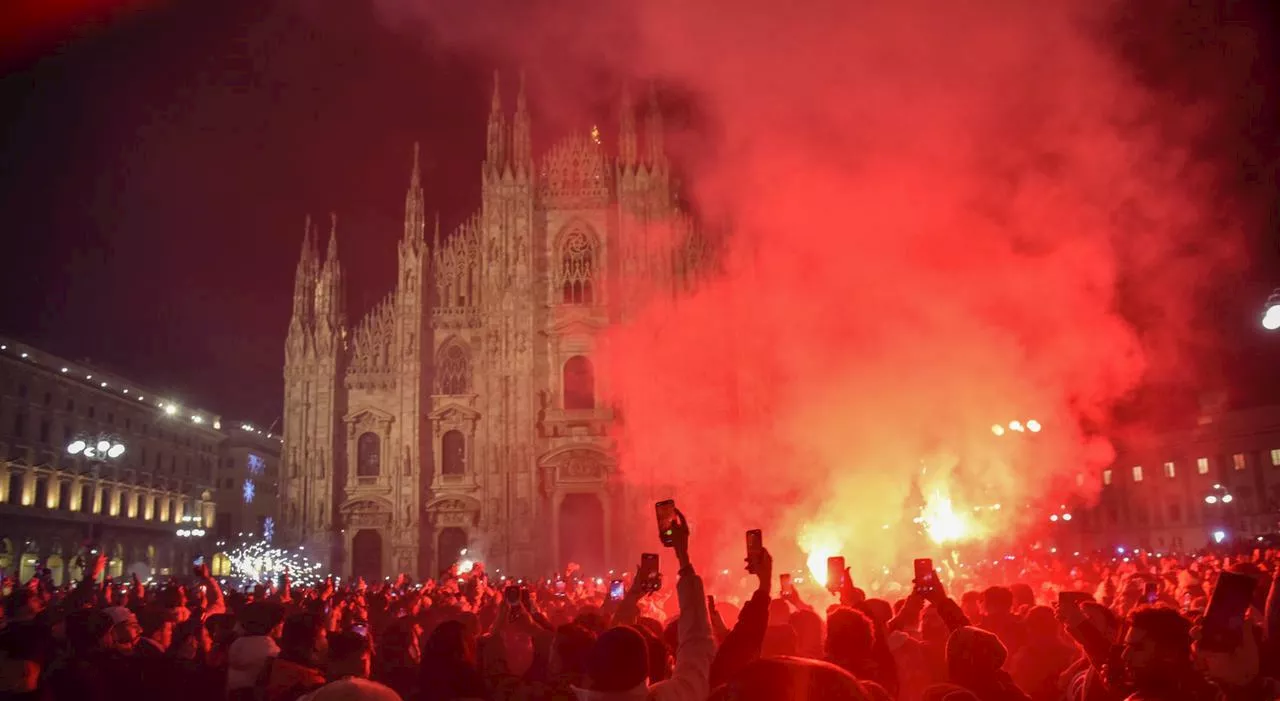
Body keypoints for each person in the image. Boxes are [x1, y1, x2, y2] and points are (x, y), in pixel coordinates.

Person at [575, 508, 714, 701]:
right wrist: (683, 557)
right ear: (646, 669)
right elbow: (697, 641)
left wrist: (632, 597)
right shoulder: (669, 697)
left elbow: (617, 647)